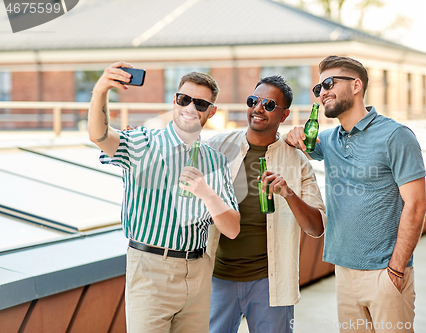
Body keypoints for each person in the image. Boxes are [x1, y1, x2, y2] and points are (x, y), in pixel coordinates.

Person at [87, 62, 240, 333]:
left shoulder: (216, 161)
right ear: (175, 100)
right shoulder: (142, 143)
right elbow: (99, 135)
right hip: (149, 269)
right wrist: (101, 90)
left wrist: (206, 193)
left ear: (211, 111)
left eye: (201, 104)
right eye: (184, 99)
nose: (191, 108)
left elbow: (232, 229)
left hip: (198, 272)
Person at [286, 56, 426, 332]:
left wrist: (396, 270)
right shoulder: (328, 140)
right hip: (344, 273)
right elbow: (294, 142)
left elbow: (417, 205)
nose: (322, 92)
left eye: (328, 83)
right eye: (318, 88)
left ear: (356, 85)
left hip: (385, 273)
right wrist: (291, 135)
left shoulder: (395, 135)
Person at [207, 75, 327, 333]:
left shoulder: (298, 161)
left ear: (284, 115)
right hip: (217, 279)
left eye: (269, 105)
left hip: (270, 283)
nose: (258, 108)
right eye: (254, 101)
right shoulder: (217, 147)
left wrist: (289, 193)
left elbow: (316, 227)